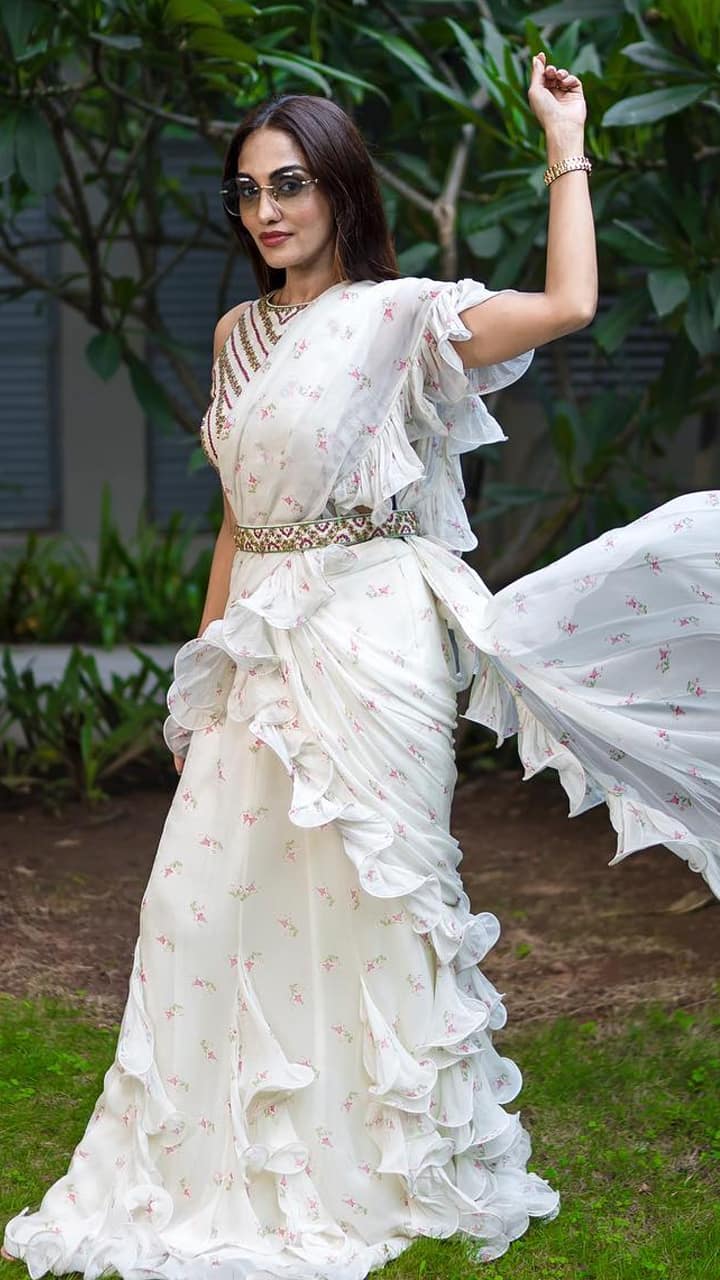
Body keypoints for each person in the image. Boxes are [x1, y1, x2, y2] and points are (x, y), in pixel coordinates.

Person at [4, 52, 719, 1280]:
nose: (266, 211)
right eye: (245, 192)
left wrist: (567, 138)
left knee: (365, 893)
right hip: (263, 628)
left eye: (289, 184)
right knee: (202, 898)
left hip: (371, 629)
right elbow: (238, 518)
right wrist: (204, 665)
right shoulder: (239, 331)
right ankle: (226, 1152)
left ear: (340, 186)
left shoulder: (399, 317)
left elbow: (568, 309)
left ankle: (382, 1157)